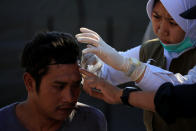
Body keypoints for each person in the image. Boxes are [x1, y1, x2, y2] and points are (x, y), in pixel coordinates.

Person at [76, 0, 196, 131]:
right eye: (156, 17)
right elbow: (108, 73)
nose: (162, 29)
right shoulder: (151, 49)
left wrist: (129, 67)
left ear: (192, 23)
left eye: (173, 22)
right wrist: (94, 65)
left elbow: (181, 93)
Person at [0, 32, 107, 131]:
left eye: (76, 85)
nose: (69, 98)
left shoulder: (91, 122)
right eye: (59, 86)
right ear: (30, 83)